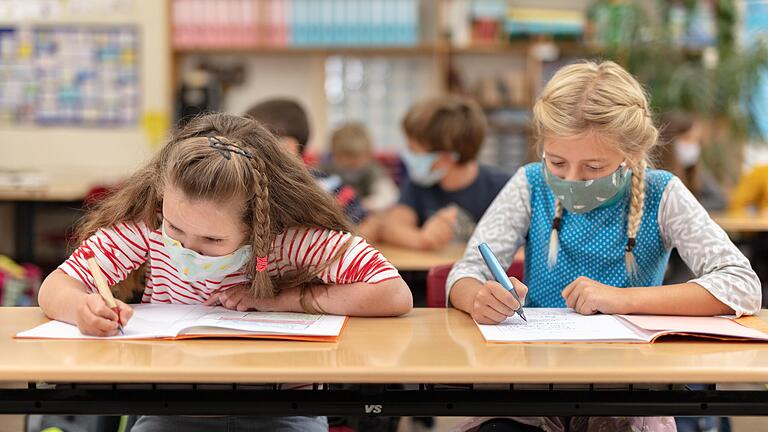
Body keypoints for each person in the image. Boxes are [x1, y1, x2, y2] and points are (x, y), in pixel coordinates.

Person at [37, 112, 413, 432]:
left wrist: (287, 300)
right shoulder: (147, 226)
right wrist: (81, 309)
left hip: (284, 411)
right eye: (176, 229)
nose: (186, 249)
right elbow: (57, 285)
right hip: (175, 409)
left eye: (212, 240)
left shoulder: (290, 239)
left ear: (257, 225)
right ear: (163, 201)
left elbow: (393, 292)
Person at [447, 60, 760, 432]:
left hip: (627, 391)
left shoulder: (663, 193)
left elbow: (742, 283)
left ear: (632, 154)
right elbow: (465, 272)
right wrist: (477, 297)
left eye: (594, 167)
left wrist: (620, 300)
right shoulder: (529, 184)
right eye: (558, 162)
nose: (572, 179)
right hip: (533, 386)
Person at [382, 95, 510, 250]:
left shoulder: (503, 187)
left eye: (414, 150)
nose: (407, 155)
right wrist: (422, 239)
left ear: (446, 158)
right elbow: (391, 227)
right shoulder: (419, 183)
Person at [245, 98, 382, 241]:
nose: (244, 153)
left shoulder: (325, 184)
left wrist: (343, 247)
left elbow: (370, 221)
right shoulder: (248, 187)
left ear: (288, 146)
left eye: (251, 144)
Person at [321, 122, 399, 213]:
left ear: (368, 156)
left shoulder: (373, 171)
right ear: (334, 155)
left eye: (355, 164)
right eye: (346, 165)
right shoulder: (324, 170)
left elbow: (389, 197)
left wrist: (365, 204)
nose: (350, 170)